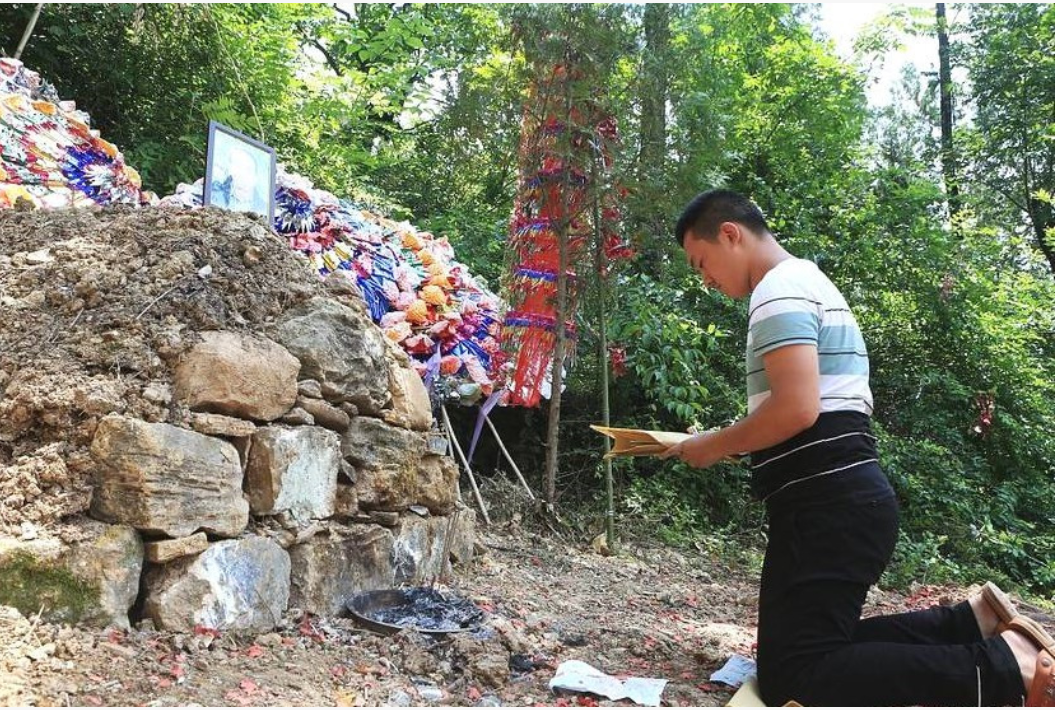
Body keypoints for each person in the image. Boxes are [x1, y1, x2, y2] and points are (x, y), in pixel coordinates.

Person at [662, 188, 1055, 706]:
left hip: (824, 506)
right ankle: (970, 625)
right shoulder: (805, 281)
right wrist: (736, 443)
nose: (707, 280)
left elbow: (797, 409)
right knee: (810, 654)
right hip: (836, 499)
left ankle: (1007, 666)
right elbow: (811, 413)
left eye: (702, 263)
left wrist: (711, 445)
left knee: (796, 674)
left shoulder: (778, 290)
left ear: (730, 235)